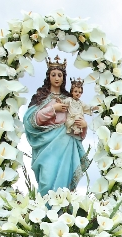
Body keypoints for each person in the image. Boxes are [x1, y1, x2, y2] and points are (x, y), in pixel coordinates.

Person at [23, 55, 89, 195]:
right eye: (53, 75)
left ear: (64, 78)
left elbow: (77, 123)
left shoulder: (70, 100)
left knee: (64, 186)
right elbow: (32, 121)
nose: (57, 78)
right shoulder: (41, 98)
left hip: (66, 143)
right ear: (49, 77)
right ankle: (45, 214)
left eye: (60, 75)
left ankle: (62, 213)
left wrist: (84, 125)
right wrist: (54, 109)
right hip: (46, 145)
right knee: (47, 181)